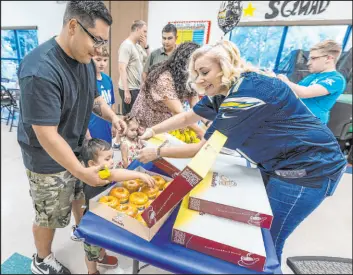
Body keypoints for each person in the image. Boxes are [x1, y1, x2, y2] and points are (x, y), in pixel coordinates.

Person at [137, 40, 347, 263]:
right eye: (196, 73)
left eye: (205, 72)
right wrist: (152, 130)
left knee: (267, 243)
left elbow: (206, 148)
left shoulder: (248, 94)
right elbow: (189, 116)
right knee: (255, 233)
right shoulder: (224, 91)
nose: (199, 79)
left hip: (308, 170)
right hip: (279, 162)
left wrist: (159, 151)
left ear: (225, 66)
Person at [17, 2, 127, 274]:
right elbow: (46, 135)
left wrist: (112, 116)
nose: (99, 49)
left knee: (79, 196)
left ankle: (85, 236)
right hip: (46, 157)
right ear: (73, 27)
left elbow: (93, 97)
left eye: (104, 41)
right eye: (97, 40)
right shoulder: (40, 70)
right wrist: (80, 170)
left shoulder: (86, 61)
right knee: (50, 213)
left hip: (76, 144)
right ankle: (41, 259)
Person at [80, 138, 154, 274]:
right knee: (92, 250)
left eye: (112, 157)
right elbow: (116, 174)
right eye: (107, 159)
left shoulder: (99, 171)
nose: (112, 162)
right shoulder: (98, 175)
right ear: (92, 164)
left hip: (104, 215)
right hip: (94, 221)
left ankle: (102, 257)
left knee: (102, 242)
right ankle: (92, 271)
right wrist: (138, 174)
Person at [130, 42, 205, 138]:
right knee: (144, 147)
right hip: (145, 120)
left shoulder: (189, 77)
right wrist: (200, 132)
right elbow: (179, 113)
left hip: (164, 120)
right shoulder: (163, 79)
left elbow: (196, 106)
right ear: (186, 63)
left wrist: (207, 122)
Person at [277, 40, 346, 125]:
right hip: (293, 120)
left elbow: (304, 92)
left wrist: (285, 81)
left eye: (313, 58)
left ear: (328, 58)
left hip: (309, 126)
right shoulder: (311, 77)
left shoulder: (336, 79)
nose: (308, 63)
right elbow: (294, 93)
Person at [118, 20, 149, 115]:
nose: (145, 34)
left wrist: (146, 46)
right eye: (144, 31)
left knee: (136, 118)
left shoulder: (138, 46)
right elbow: (121, 68)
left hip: (136, 87)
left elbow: (148, 61)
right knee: (129, 119)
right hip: (129, 89)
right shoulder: (126, 45)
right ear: (137, 29)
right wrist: (126, 91)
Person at [86, 45, 116, 144]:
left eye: (105, 60)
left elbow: (112, 103)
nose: (102, 63)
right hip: (92, 127)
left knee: (107, 155)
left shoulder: (108, 79)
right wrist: (86, 132)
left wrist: (113, 124)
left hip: (106, 127)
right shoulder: (88, 80)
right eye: (98, 60)